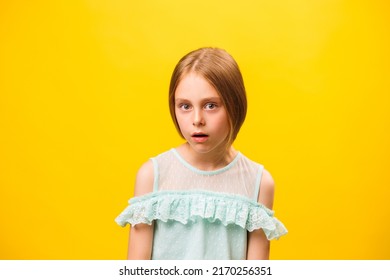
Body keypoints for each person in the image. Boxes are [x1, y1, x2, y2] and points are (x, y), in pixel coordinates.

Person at [115, 47, 287, 260]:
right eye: (185, 106)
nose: (197, 119)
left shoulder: (258, 182)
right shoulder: (152, 175)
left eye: (211, 105)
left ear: (235, 105)